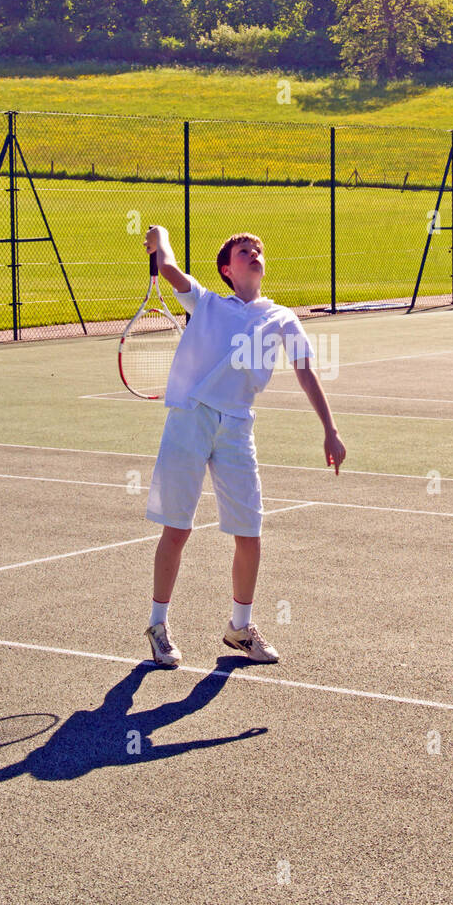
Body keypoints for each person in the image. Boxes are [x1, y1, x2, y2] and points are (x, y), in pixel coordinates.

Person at [142, 224, 346, 668]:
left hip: (237, 426)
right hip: (190, 418)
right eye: (243, 249)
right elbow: (171, 268)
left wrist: (329, 429)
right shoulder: (207, 302)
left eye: (258, 248)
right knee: (177, 529)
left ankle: (239, 627)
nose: (254, 252)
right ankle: (158, 626)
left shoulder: (282, 317)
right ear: (227, 269)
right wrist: (161, 238)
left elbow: (306, 372)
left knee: (250, 532)